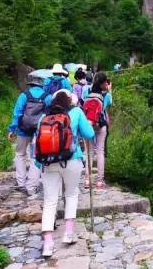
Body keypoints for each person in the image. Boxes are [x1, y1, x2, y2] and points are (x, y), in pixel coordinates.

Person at [35, 90, 94, 257]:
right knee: (71, 194)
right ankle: (68, 233)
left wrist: (40, 164)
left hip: (48, 163)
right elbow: (89, 134)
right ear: (70, 101)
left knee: (50, 201)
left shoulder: (43, 117)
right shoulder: (76, 112)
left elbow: (37, 143)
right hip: (72, 160)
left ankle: (47, 243)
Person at [7, 75, 49, 197]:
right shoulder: (47, 97)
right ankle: (32, 186)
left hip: (23, 130)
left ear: (31, 84)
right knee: (36, 157)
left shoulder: (24, 95)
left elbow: (17, 113)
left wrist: (12, 128)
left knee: (20, 154)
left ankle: (21, 183)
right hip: (39, 131)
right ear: (41, 85)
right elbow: (49, 114)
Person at [82, 72, 112, 189]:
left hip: (87, 124)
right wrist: (109, 90)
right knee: (100, 152)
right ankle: (100, 181)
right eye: (105, 82)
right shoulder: (105, 95)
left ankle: (87, 181)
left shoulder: (87, 92)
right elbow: (107, 107)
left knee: (88, 153)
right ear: (102, 83)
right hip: (100, 125)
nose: (107, 84)